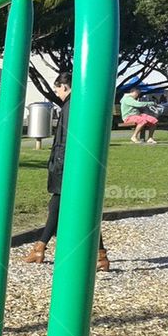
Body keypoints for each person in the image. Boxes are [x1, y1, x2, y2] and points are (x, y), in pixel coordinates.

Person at [25, 72, 110, 272]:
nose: (57, 93)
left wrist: (59, 164)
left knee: (60, 206)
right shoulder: (77, 104)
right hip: (72, 164)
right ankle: (99, 255)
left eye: (57, 89)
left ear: (65, 87)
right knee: (64, 206)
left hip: (67, 165)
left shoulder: (71, 106)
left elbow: (66, 139)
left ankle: (41, 247)